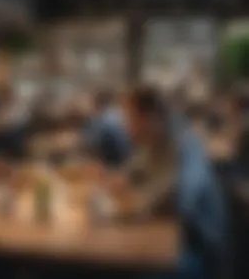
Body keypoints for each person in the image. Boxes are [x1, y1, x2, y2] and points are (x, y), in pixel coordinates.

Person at [113, 86, 227, 278]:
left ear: (153, 116)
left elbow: (182, 199)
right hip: (168, 235)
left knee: (132, 270)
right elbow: (130, 173)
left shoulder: (187, 144)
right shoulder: (152, 143)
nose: (127, 126)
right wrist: (117, 181)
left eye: (132, 118)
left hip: (197, 247)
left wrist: (134, 207)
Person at [83, 89, 130, 167]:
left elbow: (90, 142)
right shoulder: (118, 115)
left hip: (110, 163)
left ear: (97, 103)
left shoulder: (101, 119)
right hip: (124, 160)